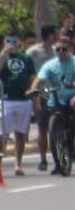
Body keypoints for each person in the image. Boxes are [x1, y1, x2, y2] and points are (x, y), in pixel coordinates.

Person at [30, 39, 75, 175]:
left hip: (71, 97)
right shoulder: (50, 65)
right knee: (43, 125)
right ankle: (47, 160)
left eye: (64, 49)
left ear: (69, 50)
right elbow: (39, 80)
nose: (60, 52)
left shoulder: (73, 61)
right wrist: (33, 90)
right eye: (58, 49)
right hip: (54, 99)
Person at [0, 35, 37, 175]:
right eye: (8, 41)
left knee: (20, 133)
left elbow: (32, 78)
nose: (12, 43)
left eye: (15, 40)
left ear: (19, 42)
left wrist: (35, 100)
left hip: (24, 100)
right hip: (6, 100)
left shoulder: (26, 58)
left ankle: (17, 164)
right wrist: (3, 55)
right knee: (3, 133)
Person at [28, 25, 57, 170]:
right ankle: (43, 159)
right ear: (50, 36)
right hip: (41, 95)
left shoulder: (57, 51)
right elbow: (28, 72)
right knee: (42, 127)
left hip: (57, 94)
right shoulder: (33, 52)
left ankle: (62, 156)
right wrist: (33, 95)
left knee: (59, 125)